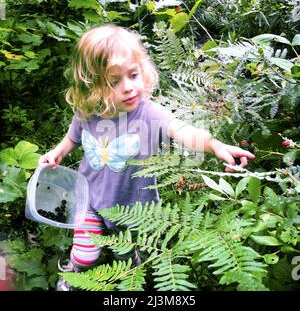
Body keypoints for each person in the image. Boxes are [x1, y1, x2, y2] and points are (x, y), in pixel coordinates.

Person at [38, 25, 255, 290]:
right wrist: (57, 153)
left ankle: (126, 280)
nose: (128, 88)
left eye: (133, 75)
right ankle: (74, 273)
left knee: (124, 256)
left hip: (133, 207)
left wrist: (215, 145)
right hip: (90, 197)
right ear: (93, 86)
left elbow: (183, 131)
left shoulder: (148, 113)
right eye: (114, 81)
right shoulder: (88, 112)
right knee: (86, 255)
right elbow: (72, 137)